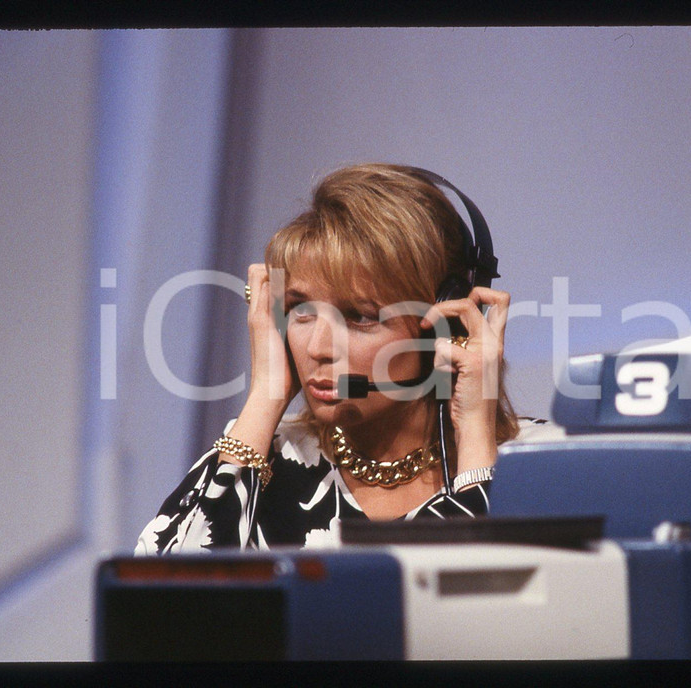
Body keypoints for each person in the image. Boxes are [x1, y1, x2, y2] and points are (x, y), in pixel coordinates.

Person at [136, 163, 543, 554]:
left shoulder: (542, 463)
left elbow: (493, 612)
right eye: (301, 309)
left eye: (360, 316)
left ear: (445, 323)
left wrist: (474, 434)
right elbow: (165, 609)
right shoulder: (259, 456)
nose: (317, 348)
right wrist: (266, 396)